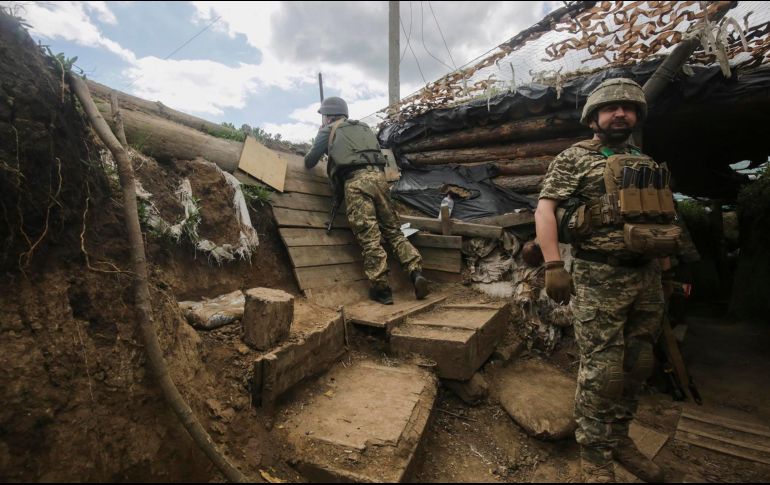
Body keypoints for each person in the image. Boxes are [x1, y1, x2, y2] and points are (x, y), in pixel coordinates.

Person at [535, 78, 680, 483]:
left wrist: (665, 268)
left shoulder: (646, 162)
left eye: (629, 108)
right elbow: (545, 210)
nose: (621, 113)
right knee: (603, 370)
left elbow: (659, 217)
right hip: (599, 274)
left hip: (646, 277)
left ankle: (619, 440)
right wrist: (553, 265)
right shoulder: (574, 158)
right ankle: (595, 454)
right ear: (594, 116)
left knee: (638, 365)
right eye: (612, 108)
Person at [304, 96, 429, 305]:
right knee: (394, 232)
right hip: (380, 181)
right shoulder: (363, 128)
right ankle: (416, 272)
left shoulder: (328, 130)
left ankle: (382, 290)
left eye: (323, 116)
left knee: (369, 237)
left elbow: (310, 161)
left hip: (356, 183)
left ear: (327, 116)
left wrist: (322, 137)